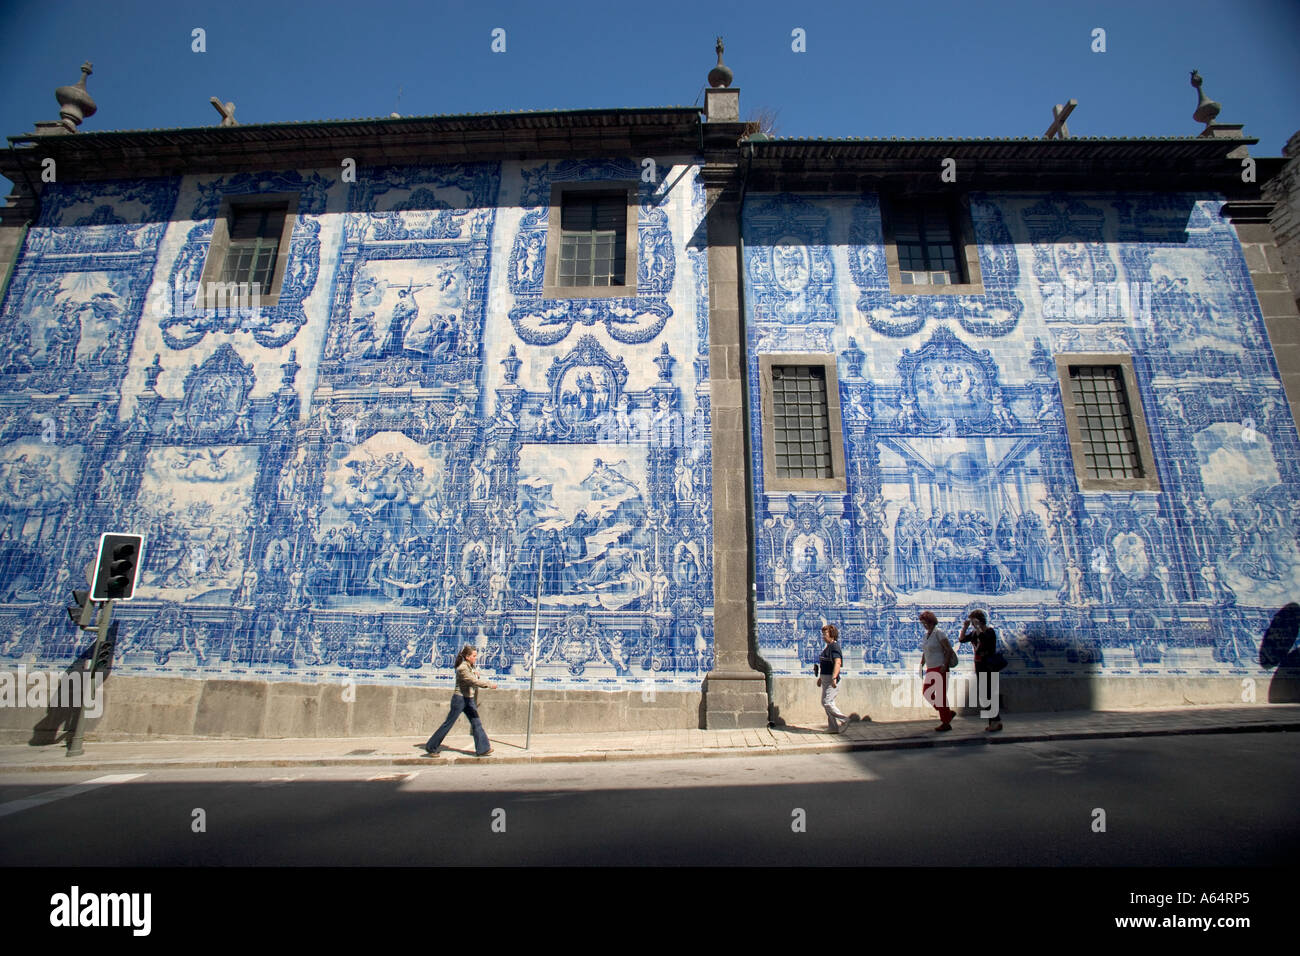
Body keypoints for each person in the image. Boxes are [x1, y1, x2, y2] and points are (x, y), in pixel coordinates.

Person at [423, 644, 497, 756]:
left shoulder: (470, 666)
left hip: (468, 699)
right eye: (474, 656)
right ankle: (431, 747)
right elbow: (473, 681)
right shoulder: (462, 668)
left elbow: (473, 677)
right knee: (448, 723)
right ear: (467, 656)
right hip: (460, 699)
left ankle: (483, 748)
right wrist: (489, 685)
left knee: (476, 722)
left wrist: (475, 673)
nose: (475, 658)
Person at [959, 609, 1003, 731]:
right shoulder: (974, 633)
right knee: (985, 695)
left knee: (990, 694)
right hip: (979, 665)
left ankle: (995, 722)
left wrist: (978, 627)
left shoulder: (990, 632)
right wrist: (965, 627)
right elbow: (961, 639)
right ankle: (993, 722)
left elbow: (984, 639)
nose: (972, 624)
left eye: (974, 621)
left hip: (989, 665)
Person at [918, 610, 955, 731]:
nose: (925, 625)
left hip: (940, 667)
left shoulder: (939, 634)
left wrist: (945, 664)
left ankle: (946, 722)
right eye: (923, 623)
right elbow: (926, 650)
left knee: (940, 696)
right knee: (927, 692)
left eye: (926, 622)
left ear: (931, 622)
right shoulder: (926, 636)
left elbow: (948, 650)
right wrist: (923, 661)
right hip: (930, 667)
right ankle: (947, 713)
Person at [816, 623, 850, 734]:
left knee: (827, 702)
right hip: (825, 678)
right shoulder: (828, 647)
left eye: (825, 634)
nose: (823, 636)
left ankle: (844, 719)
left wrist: (834, 678)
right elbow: (825, 663)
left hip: (831, 679)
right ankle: (833, 727)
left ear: (832, 635)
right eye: (823, 634)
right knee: (825, 702)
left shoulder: (834, 647)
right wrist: (820, 678)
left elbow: (837, 662)